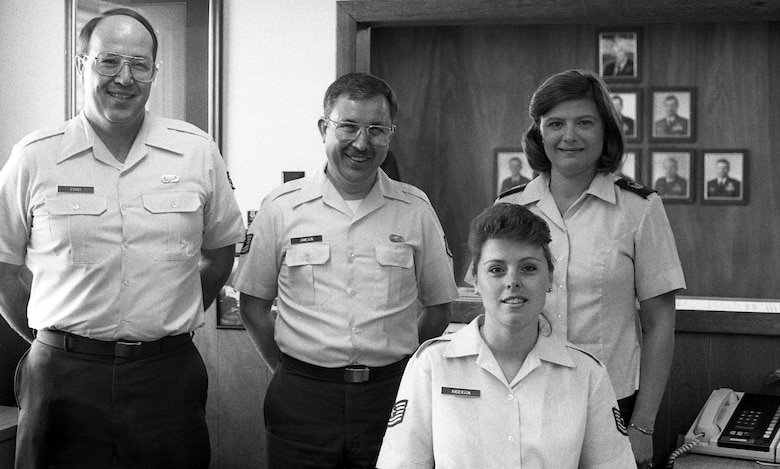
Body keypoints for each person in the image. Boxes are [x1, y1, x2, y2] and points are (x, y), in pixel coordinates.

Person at [0, 8, 244, 469]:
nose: (124, 78)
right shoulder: (34, 157)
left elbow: (220, 252)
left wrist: (174, 315)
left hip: (167, 378)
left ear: (155, 71)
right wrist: (46, 338)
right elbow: (4, 267)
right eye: (108, 61)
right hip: (62, 379)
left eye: (140, 64)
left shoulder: (196, 152)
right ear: (82, 65)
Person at [234, 72, 458, 468]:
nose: (361, 142)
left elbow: (439, 307)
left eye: (376, 129)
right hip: (303, 396)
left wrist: (396, 366)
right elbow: (252, 305)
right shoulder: (281, 207)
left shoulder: (415, 209)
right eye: (349, 126)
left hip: (390, 397)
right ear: (324, 128)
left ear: (390, 134)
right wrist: (290, 368)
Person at [499, 69, 686, 469]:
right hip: (524, 398)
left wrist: (643, 428)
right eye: (555, 124)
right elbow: (493, 310)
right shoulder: (509, 209)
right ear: (539, 133)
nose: (570, 136)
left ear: (606, 132)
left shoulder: (638, 208)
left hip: (611, 405)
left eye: (585, 122)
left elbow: (660, 325)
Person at [376, 203, 636, 468]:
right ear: (475, 279)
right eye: (497, 269)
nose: (513, 281)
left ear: (549, 278)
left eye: (529, 268)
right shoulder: (432, 365)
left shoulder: (587, 374)